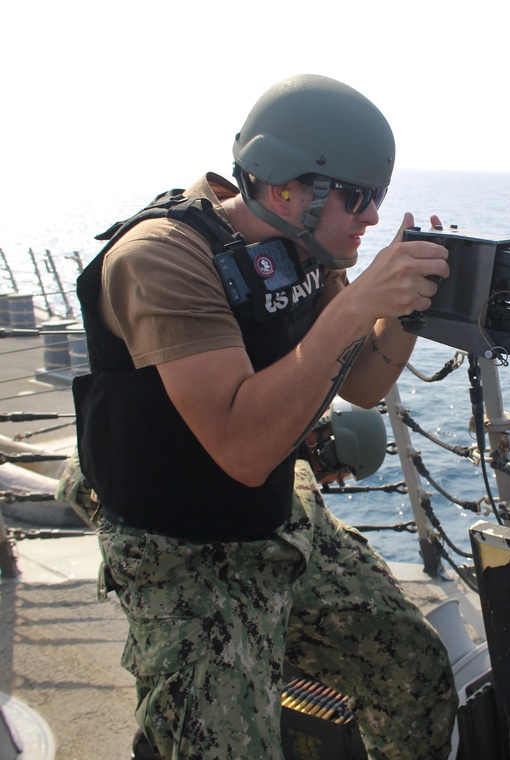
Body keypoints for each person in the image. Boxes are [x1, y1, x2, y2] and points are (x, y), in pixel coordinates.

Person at [71, 74, 458, 759]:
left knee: (411, 668)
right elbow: (243, 448)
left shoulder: (306, 249)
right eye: (357, 197)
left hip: (272, 515)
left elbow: (363, 381)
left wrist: (409, 311)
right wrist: (351, 303)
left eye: (378, 201)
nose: (369, 219)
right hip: (181, 549)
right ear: (287, 187)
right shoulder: (163, 259)